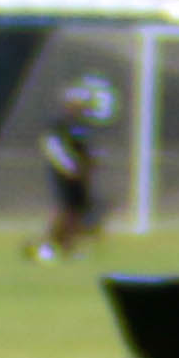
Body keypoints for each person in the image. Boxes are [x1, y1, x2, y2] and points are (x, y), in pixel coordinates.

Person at [35, 77, 115, 262]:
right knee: (65, 210)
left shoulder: (84, 124)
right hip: (65, 173)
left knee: (77, 212)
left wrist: (93, 162)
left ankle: (67, 248)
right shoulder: (60, 124)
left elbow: (86, 148)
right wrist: (69, 166)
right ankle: (48, 247)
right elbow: (52, 146)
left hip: (81, 175)